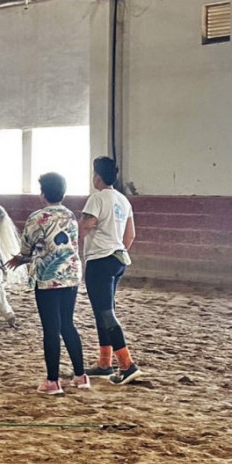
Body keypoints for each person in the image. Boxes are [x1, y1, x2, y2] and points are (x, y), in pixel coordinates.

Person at [7, 172, 89, 395]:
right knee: (67, 325)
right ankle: (81, 376)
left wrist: (19, 259)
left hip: (48, 277)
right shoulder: (71, 215)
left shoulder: (38, 217)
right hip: (71, 274)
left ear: (43, 194)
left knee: (51, 329)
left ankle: (53, 381)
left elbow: (27, 249)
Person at [80, 156, 142, 385]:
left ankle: (127, 365)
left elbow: (85, 226)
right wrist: (117, 248)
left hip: (100, 261)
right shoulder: (124, 200)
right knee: (103, 310)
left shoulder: (96, 199)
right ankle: (104, 363)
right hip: (118, 259)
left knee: (106, 313)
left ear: (97, 176)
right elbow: (130, 235)